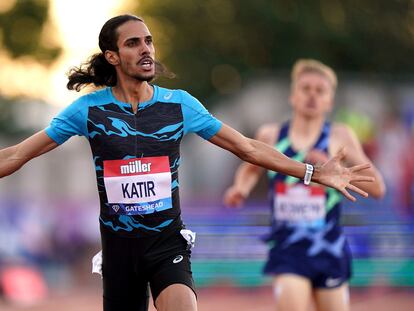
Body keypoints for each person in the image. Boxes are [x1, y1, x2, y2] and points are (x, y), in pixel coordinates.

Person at [0, 15, 374, 311]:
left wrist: (312, 172)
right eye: (133, 43)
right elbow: (18, 154)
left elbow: (247, 148)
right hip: (119, 250)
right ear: (112, 57)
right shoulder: (88, 111)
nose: (146, 49)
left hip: (166, 244)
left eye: (149, 40)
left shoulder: (179, 104)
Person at [223, 59, 386, 311]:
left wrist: (337, 171)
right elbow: (249, 169)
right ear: (293, 96)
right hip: (289, 248)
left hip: (329, 248)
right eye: (305, 88)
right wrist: (240, 189)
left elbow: (377, 188)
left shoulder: (339, 137)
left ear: (330, 101)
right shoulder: (271, 135)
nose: (312, 95)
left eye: (320, 91)